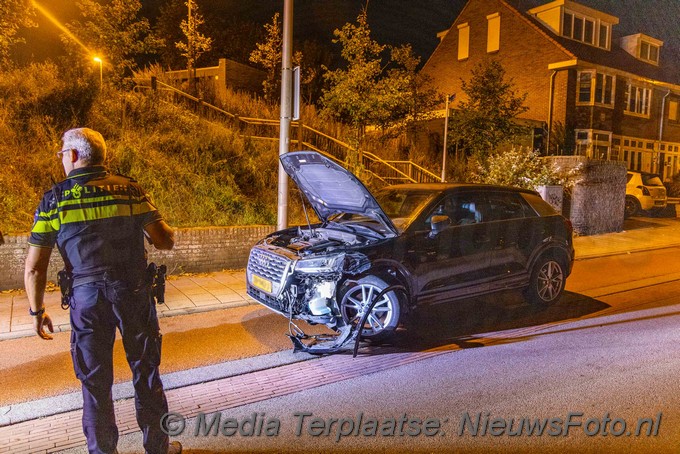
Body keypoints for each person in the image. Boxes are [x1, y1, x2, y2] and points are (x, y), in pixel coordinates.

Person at [24, 128, 181, 454]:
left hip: (86, 299)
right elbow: (165, 240)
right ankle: (158, 447)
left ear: (74, 156)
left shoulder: (54, 199)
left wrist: (37, 312)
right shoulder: (130, 190)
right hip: (134, 293)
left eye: (62, 154)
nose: (62, 159)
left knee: (95, 385)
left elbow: (35, 267)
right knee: (146, 373)